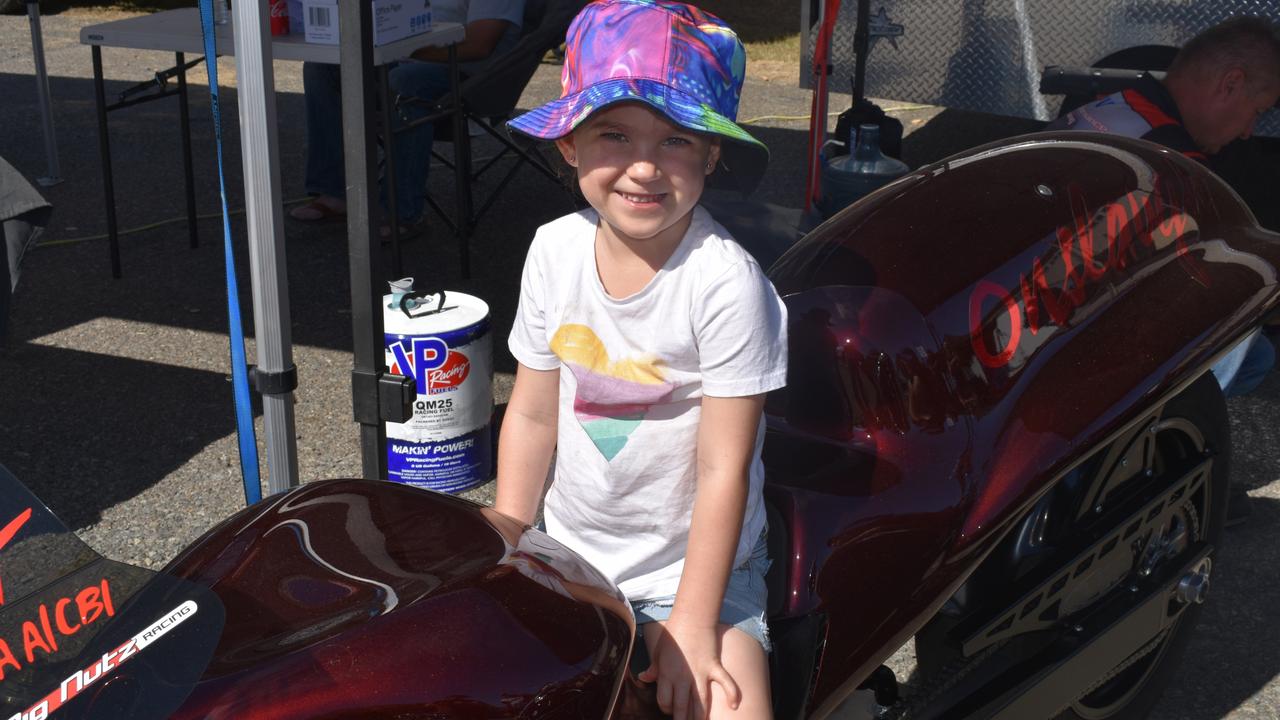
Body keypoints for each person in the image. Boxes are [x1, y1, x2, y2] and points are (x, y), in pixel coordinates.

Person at [495, 2, 784, 718]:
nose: (645, 166)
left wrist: (691, 620)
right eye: (614, 134)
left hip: (696, 568)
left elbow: (724, 469)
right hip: (567, 548)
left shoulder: (727, 284)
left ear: (713, 156)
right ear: (568, 144)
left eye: (678, 141)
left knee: (733, 706)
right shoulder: (552, 251)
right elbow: (532, 416)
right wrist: (507, 532)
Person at [1049, 15, 1280, 524]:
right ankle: (1125, 482)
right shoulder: (1172, 165)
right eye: (1254, 113)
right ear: (1231, 83)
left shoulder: (1113, 104)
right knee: (1249, 346)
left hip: (1031, 312)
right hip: (1068, 352)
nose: (1247, 132)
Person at [289, 0, 525, 237]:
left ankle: (402, 211)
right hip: (406, 59)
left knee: (405, 81)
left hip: (469, 77)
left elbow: (479, 45)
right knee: (322, 67)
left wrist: (406, 50)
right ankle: (335, 193)